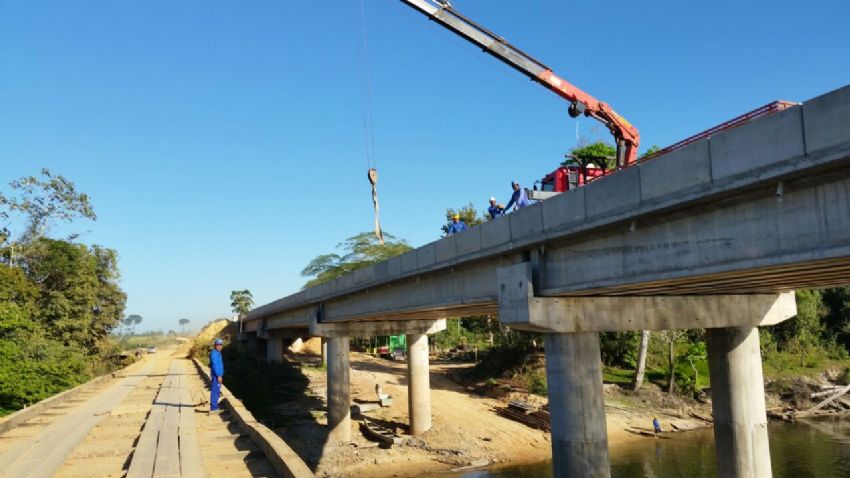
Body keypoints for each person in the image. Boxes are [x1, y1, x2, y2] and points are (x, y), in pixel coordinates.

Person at [210, 338, 224, 414]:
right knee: (215, 391)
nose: (219, 346)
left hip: (219, 375)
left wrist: (220, 375)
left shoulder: (218, 353)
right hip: (216, 375)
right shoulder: (214, 353)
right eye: (218, 345)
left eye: (220, 345)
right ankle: (214, 408)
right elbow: (215, 365)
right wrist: (219, 375)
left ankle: (215, 406)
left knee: (217, 391)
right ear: (215, 345)